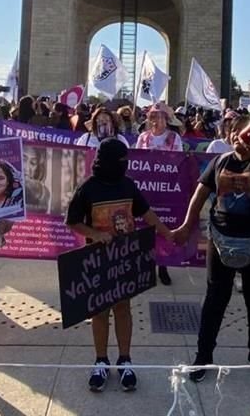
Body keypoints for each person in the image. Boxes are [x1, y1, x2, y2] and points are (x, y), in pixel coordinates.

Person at [174, 114, 250, 384]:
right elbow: (199, 195)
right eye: (234, 132)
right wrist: (187, 225)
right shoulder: (220, 161)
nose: (238, 136)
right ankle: (203, 356)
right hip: (221, 239)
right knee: (215, 298)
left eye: (244, 132)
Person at [65, 139, 174, 392]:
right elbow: (72, 222)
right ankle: (100, 361)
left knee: (123, 309)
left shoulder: (128, 185)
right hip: (98, 260)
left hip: (125, 260)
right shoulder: (88, 188)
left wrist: (167, 233)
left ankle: (125, 360)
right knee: (100, 312)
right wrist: (96, 233)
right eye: (121, 161)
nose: (124, 165)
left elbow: (146, 213)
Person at [135, 102, 184, 286]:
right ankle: (146, 266)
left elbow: (179, 162)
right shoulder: (143, 137)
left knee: (165, 226)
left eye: (160, 117)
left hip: (166, 190)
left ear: (167, 119)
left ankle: (163, 266)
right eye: (153, 117)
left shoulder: (174, 138)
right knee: (145, 227)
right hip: (146, 190)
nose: (156, 120)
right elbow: (136, 161)